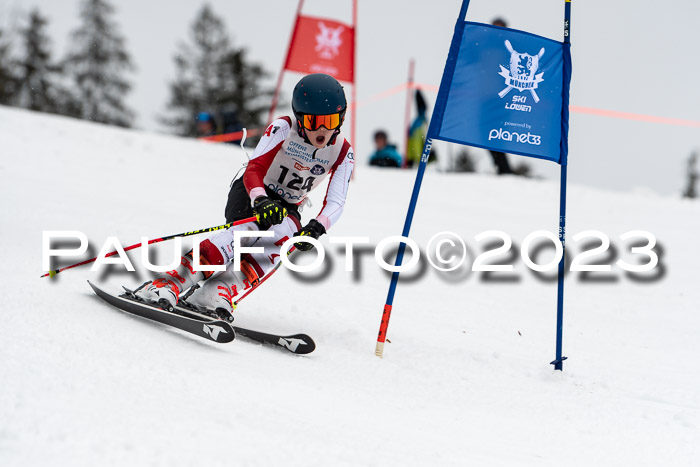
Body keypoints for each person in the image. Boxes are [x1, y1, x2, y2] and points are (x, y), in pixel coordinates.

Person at [135, 73, 355, 321]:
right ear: (300, 118)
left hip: (288, 206)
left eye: (331, 120)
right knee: (244, 233)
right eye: (314, 122)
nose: (323, 129)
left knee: (280, 240)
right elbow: (254, 169)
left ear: (342, 117)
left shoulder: (343, 152)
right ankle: (169, 282)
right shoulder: (284, 128)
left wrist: (316, 228)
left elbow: (336, 201)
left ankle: (217, 291)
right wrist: (260, 199)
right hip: (253, 192)